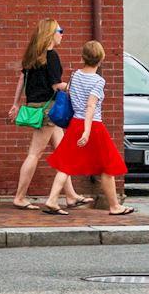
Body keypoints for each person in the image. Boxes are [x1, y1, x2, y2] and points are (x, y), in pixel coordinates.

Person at [42, 40, 133, 217]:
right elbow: (90, 106)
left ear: (83, 57)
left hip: (74, 122)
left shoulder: (75, 75)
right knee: (108, 165)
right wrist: (87, 130)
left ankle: (52, 200)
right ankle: (114, 206)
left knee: (66, 164)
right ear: (101, 59)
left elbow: (72, 95)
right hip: (93, 126)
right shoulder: (98, 81)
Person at [9, 18, 86, 210]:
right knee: (34, 154)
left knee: (63, 152)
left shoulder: (32, 56)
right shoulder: (51, 56)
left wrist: (16, 103)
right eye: (60, 30)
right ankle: (19, 197)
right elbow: (56, 85)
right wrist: (78, 87)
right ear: (51, 33)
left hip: (36, 106)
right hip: (48, 109)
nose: (62, 34)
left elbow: (22, 80)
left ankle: (70, 195)